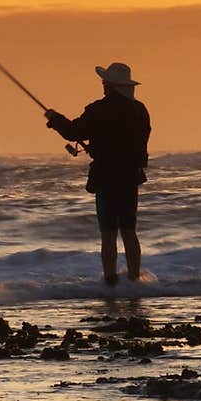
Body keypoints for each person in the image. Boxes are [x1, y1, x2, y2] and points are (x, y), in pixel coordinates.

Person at [44, 62, 151, 287]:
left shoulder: (98, 109)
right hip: (130, 177)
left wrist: (55, 119)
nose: (102, 86)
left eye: (105, 82)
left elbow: (74, 131)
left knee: (109, 233)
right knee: (129, 231)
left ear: (112, 85)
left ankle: (110, 281)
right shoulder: (140, 110)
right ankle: (134, 281)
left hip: (106, 177)